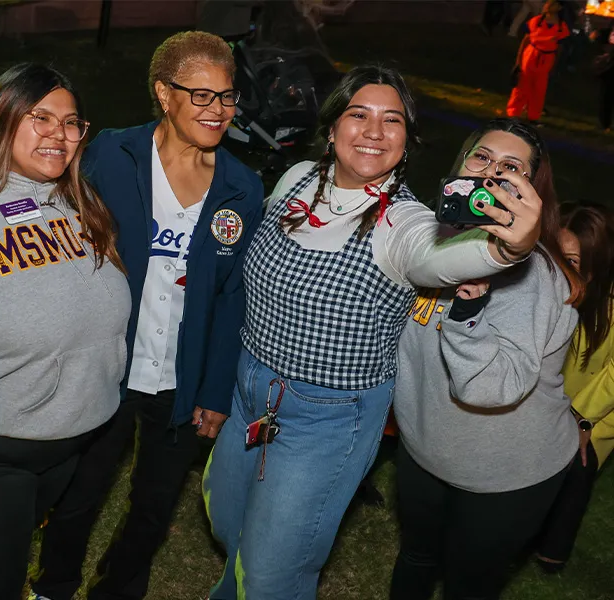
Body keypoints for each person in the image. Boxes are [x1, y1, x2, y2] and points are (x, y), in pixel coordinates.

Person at [202, 66, 544, 600]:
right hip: (251, 391)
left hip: (328, 415)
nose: (373, 130)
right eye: (358, 114)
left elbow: (435, 260)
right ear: (333, 127)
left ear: (407, 141)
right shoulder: (295, 180)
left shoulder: (403, 222)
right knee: (229, 526)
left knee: (274, 572)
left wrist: (506, 248)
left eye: (392, 120)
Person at [32, 31, 264, 600]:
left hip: (179, 376)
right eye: (201, 96)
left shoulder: (241, 186)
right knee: (81, 492)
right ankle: (54, 586)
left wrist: (213, 389)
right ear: (164, 93)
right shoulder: (111, 154)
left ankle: (117, 590)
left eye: (227, 97)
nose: (218, 111)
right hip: (106, 363)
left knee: (155, 504)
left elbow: (232, 296)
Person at [0, 63, 131, 600]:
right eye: (40, 117)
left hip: (75, 442)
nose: (58, 133)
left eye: (71, 123)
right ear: (3, 115)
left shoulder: (79, 200)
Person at [390, 118, 583, 600]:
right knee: (415, 558)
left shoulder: (533, 276)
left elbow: (489, 388)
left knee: (467, 588)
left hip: (507, 472)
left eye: (511, 167)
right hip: (425, 450)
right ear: (462, 164)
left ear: (529, 192)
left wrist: (469, 309)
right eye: (483, 157)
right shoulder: (430, 243)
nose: (492, 171)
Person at [536, 202, 614, 573]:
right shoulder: (540, 283)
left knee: (579, 464)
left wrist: (580, 417)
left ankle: (553, 551)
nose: (557, 267)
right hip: (547, 395)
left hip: (599, 408)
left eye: (572, 260)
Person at [506, 0, 570, 125]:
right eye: (547, 3)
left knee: (539, 89)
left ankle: (533, 116)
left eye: (552, 3)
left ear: (559, 7)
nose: (547, 5)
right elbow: (525, 40)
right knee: (522, 85)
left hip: (546, 58)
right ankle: (513, 113)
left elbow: (560, 47)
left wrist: (555, 65)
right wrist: (518, 60)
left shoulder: (561, 27)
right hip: (531, 55)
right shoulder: (536, 21)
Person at [592, 27, 614, 132]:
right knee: (606, 95)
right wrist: (599, 34)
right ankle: (605, 123)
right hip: (609, 65)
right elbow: (607, 35)